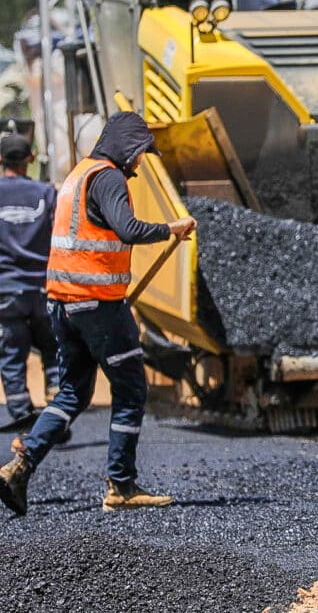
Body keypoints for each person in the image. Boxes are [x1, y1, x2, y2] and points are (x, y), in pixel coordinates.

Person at [0, 112, 196, 516]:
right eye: (141, 153)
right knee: (131, 390)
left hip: (63, 304)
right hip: (98, 307)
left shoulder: (78, 174)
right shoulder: (108, 177)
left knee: (73, 393)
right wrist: (171, 229)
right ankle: (121, 485)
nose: (141, 162)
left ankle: (18, 467)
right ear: (127, 146)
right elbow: (127, 228)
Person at [0, 134, 60, 432]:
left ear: (0, 160)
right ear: (31, 160)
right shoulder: (47, 193)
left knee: (12, 353)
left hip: (6, 289)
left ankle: (23, 417)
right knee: (52, 347)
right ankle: (56, 412)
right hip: (42, 286)